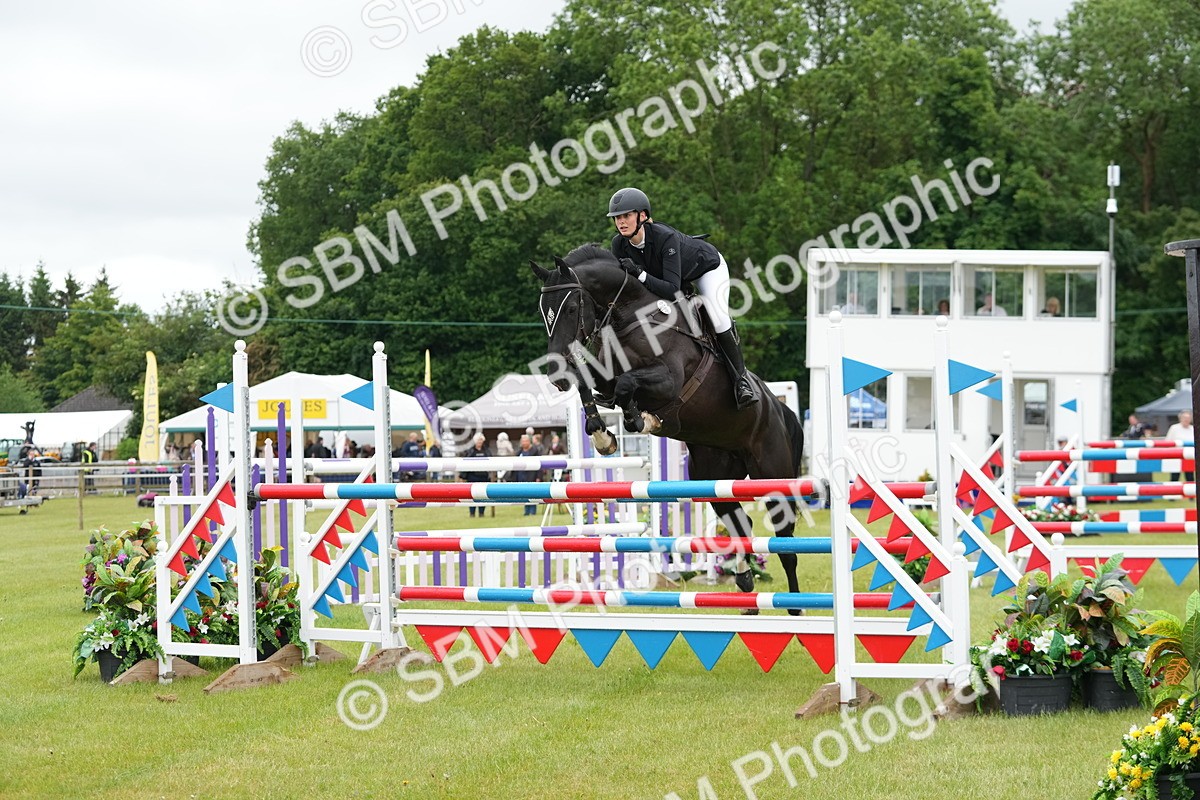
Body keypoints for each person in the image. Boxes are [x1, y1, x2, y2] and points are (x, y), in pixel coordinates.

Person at [607, 187, 756, 409]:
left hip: (706, 269)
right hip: (672, 278)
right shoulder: (618, 244)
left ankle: (741, 381)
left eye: (626, 215)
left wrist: (639, 273)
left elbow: (672, 290)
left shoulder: (664, 238)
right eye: (617, 218)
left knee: (718, 318)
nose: (621, 222)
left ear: (643, 216)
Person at [461, 434, 491, 518]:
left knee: (483, 495)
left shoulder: (486, 451)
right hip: (472, 476)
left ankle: (481, 513)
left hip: (483, 476)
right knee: (471, 495)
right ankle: (472, 513)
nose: (479, 442)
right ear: (475, 441)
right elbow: (465, 464)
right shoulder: (470, 451)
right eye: (478, 440)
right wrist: (463, 476)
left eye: (481, 440)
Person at [1166, 411, 1195, 481]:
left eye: (1188, 418)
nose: (1186, 420)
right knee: (1175, 476)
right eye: (1184, 418)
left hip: (1189, 456)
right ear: (1180, 418)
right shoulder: (1174, 428)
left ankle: (1190, 491)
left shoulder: (1193, 429)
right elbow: (1168, 441)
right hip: (1176, 455)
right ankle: (1172, 491)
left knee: (1190, 476)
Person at [516, 434, 539, 516]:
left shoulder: (535, 451)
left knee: (532, 493)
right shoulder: (519, 451)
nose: (524, 443)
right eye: (522, 441)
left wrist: (538, 477)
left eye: (525, 441)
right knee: (524, 493)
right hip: (521, 475)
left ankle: (532, 511)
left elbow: (539, 464)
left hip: (531, 475)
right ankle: (526, 510)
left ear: (529, 441)